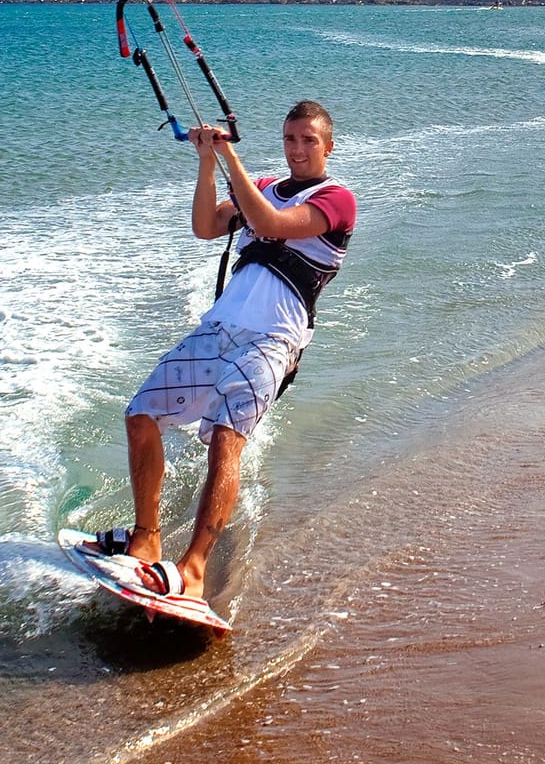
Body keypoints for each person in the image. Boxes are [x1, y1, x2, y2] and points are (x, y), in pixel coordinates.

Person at [89, 100, 356, 600]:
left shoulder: (338, 199)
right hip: (220, 327)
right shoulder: (264, 187)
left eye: (308, 141)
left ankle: (193, 568)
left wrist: (231, 159)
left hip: (274, 337)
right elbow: (207, 227)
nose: (297, 149)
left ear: (328, 147)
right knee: (140, 414)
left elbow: (274, 225)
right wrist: (208, 161)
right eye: (290, 139)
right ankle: (145, 540)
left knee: (226, 440)